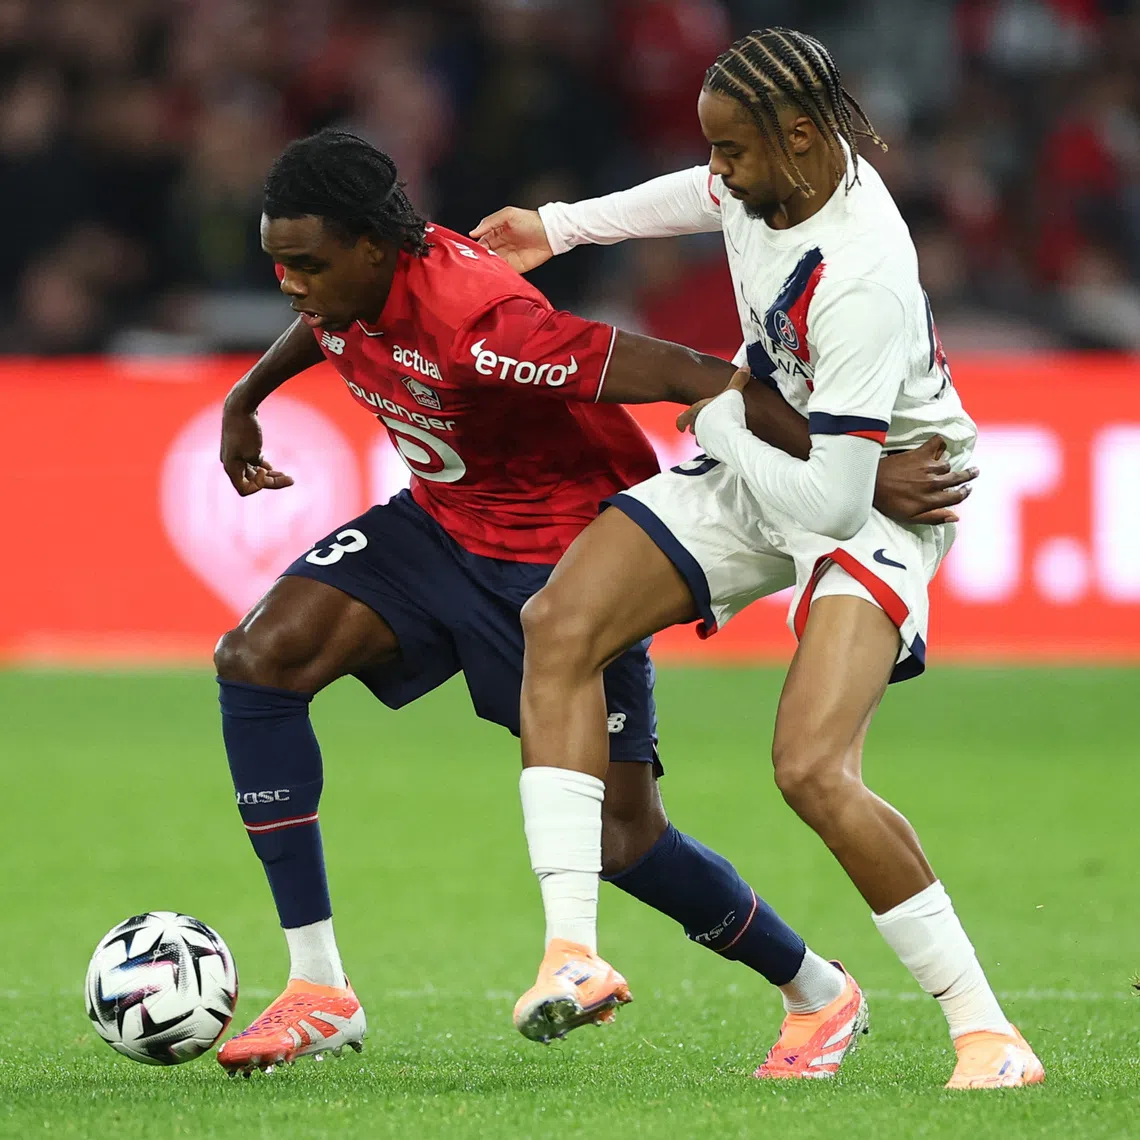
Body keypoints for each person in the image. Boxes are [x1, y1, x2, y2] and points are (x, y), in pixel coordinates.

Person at [212, 130, 970, 1077]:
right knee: (258, 657)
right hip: (438, 526)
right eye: (278, 263)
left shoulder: (485, 327)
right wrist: (248, 394)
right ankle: (319, 988)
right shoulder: (346, 276)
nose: (290, 284)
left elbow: (693, 374)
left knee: (625, 839)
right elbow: (328, 320)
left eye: (306, 265)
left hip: (559, 556)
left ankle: (817, 987)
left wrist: (854, 471)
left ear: (374, 247)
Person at [473, 28, 1044, 1089]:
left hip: (884, 494)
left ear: (797, 136)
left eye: (732, 152)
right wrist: (557, 229)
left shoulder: (862, 275)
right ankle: (572, 953)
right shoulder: (774, 174)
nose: (719, 173)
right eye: (713, 150)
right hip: (780, 439)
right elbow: (693, 198)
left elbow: (832, 498)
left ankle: (987, 1031)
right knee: (557, 624)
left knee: (812, 771)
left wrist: (719, 407)